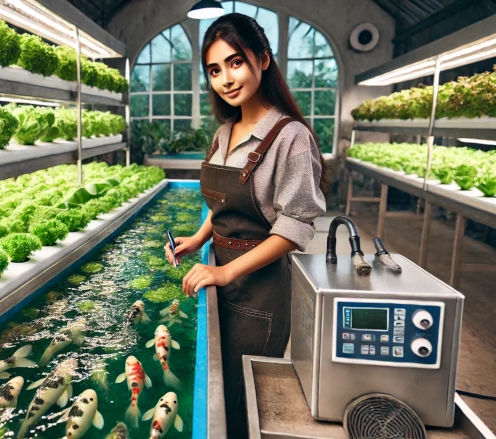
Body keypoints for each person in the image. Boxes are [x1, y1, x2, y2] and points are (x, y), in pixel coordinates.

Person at [164, 13, 328, 437]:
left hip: (260, 292)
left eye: (236, 63)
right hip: (223, 274)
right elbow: (220, 206)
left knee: (235, 402)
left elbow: (295, 226)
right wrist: (198, 239)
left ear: (263, 59)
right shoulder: (225, 132)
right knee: (213, 390)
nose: (226, 79)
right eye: (214, 70)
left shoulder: (290, 137)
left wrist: (224, 270)